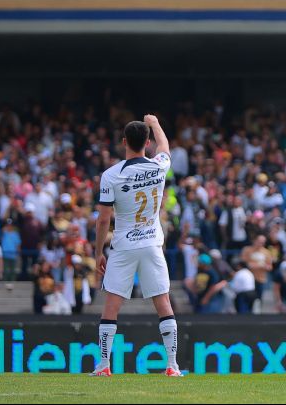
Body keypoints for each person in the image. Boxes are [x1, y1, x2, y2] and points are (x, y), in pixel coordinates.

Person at [91, 115, 181, 377]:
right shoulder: (159, 166)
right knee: (163, 302)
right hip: (152, 243)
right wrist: (154, 122)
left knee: (111, 306)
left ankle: (104, 365)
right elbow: (165, 147)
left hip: (124, 246)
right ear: (147, 142)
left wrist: (98, 252)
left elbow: (103, 220)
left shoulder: (111, 175)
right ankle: (172, 366)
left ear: (123, 142)